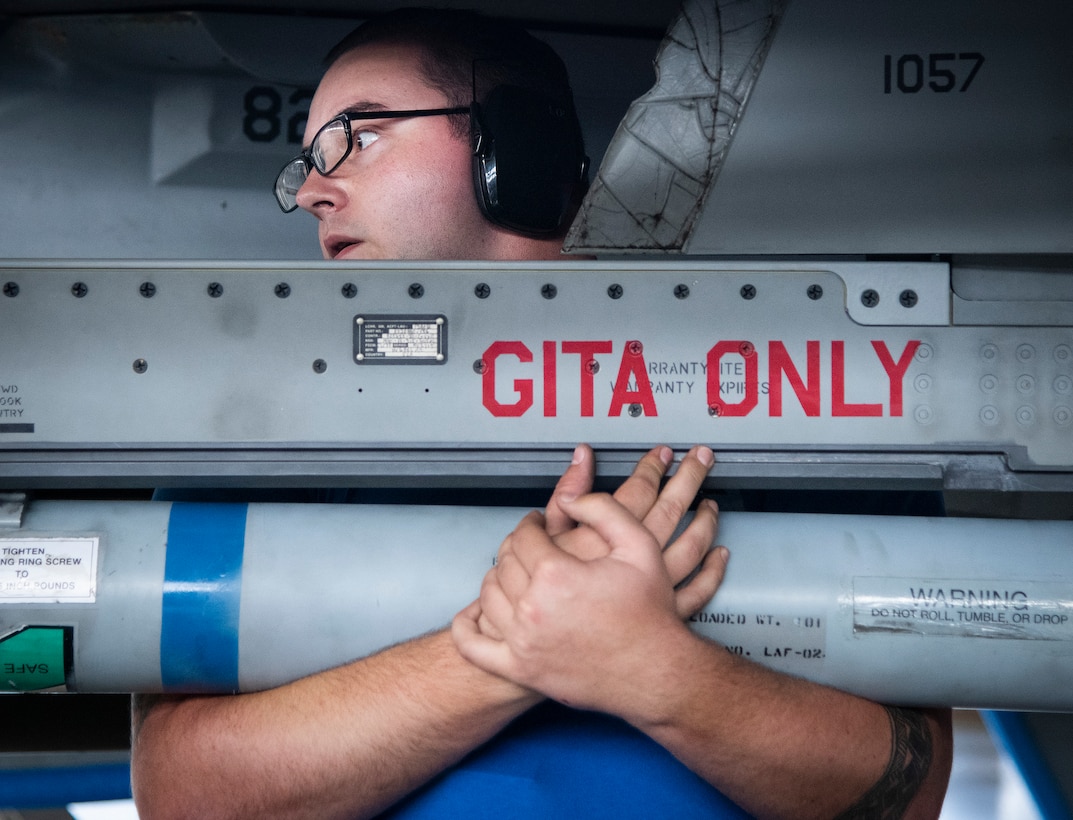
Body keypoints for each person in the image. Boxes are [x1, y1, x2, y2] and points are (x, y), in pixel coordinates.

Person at [130, 9, 952, 818]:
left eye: (360, 134)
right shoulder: (257, 409)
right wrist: (525, 644)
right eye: (307, 159)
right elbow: (178, 790)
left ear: (512, 148)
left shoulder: (786, 376)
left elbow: (909, 791)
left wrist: (660, 675)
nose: (312, 190)